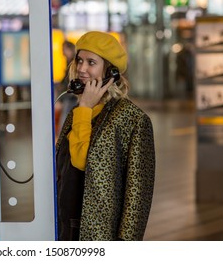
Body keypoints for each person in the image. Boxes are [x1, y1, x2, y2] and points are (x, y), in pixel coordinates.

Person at [55, 31, 155, 241]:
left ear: (111, 72)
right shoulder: (78, 112)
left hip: (100, 234)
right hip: (66, 227)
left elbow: (137, 198)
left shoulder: (132, 120)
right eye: (80, 60)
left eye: (91, 62)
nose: (82, 69)